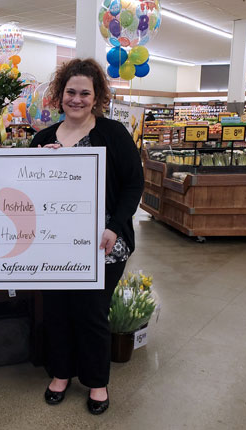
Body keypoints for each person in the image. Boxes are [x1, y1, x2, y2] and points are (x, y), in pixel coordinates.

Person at [30, 58, 144, 415]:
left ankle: (97, 381)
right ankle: (61, 373)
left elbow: (133, 183)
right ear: (59, 95)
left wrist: (114, 226)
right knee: (57, 310)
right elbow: (26, 192)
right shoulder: (43, 138)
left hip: (103, 243)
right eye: (70, 92)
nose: (76, 99)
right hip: (53, 243)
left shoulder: (112, 134)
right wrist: (36, 165)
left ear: (96, 98)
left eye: (84, 93)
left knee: (92, 312)